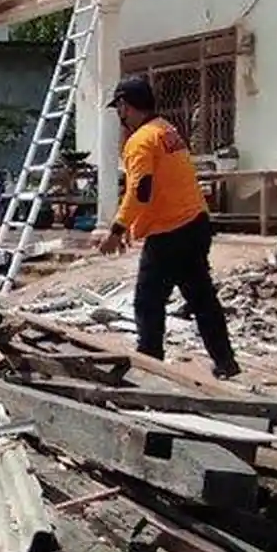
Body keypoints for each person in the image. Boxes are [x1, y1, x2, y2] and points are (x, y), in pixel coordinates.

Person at [97, 75, 241, 380]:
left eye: (119, 108)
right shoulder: (168, 130)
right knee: (201, 297)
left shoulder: (140, 141)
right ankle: (225, 361)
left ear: (125, 105)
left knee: (148, 301)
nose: (119, 116)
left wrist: (118, 229)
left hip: (170, 231)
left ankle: (149, 365)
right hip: (196, 223)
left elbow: (140, 190)